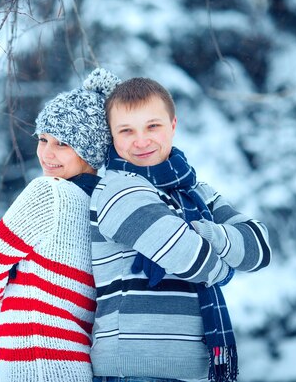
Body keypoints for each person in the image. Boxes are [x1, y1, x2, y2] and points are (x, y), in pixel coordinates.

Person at [90, 77, 272, 382]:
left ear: (173, 124)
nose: (141, 140)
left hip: (196, 371)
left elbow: (259, 248)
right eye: (126, 131)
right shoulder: (117, 189)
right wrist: (225, 266)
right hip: (133, 370)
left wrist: (211, 234)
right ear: (112, 136)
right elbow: (188, 257)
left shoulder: (196, 191)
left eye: (152, 126)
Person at [0, 68, 121, 382]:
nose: (47, 153)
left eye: (63, 144)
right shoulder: (100, 210)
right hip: (76, 369)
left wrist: (14, 284)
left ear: (89, 151)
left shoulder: (49, 192)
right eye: (43, 139)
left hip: (36, 367)